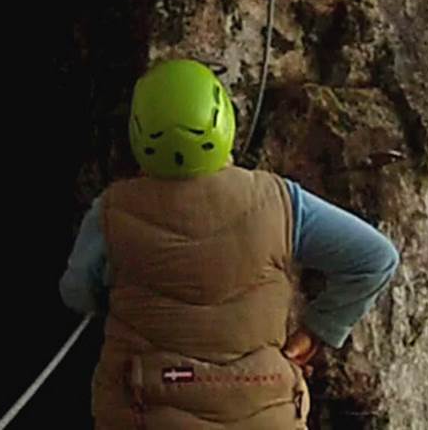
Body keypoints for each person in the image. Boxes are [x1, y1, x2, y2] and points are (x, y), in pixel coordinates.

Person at [60, 58, 399, 428]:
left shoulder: (111, 212)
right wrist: (319, 329)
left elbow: (76, 292)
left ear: (138, 132)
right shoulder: (280, 202)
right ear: (223, 121)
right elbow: (375, 258)